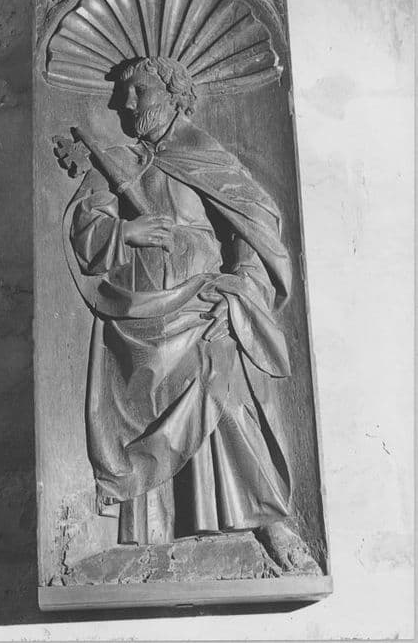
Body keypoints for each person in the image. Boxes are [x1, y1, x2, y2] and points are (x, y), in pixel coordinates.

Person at [63, 56, 319, 572]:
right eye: (123, 95)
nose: (125, 104)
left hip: (201, 305)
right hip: (137, 317)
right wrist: (125, 232)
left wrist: (239, 292)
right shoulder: (117, 162)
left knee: (221, 379)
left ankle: (267, 521)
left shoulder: (206, 157)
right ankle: (152, 543)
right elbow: (86, 230)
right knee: (157, 397)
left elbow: (254, 229)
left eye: (138, 91)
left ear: (174, 95)